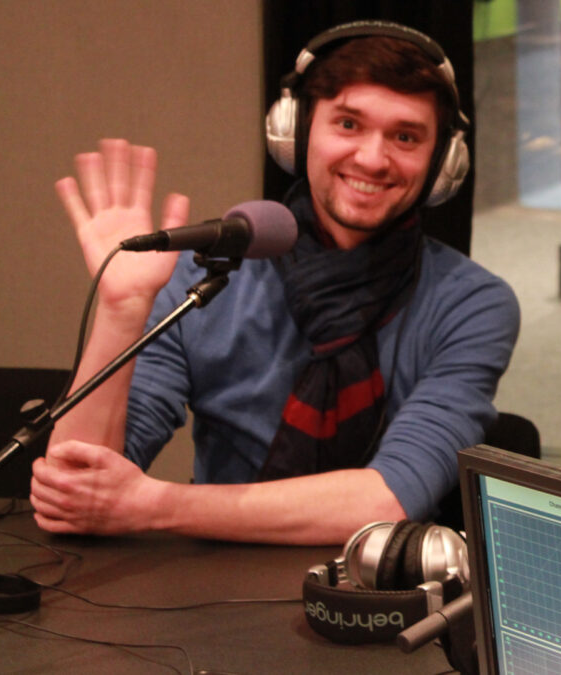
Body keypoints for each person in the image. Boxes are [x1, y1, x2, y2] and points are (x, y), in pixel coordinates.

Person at [29, 22, 520, 546]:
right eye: (349, 124)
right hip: (208, 597)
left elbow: (387, 501)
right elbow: (78, 484)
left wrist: (152, 505)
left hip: (388, 597)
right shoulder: (203, 278)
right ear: (296, 132)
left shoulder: (473, 303)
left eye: (405, 137)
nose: (373, 159)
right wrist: (120, 310)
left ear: (443, 163)